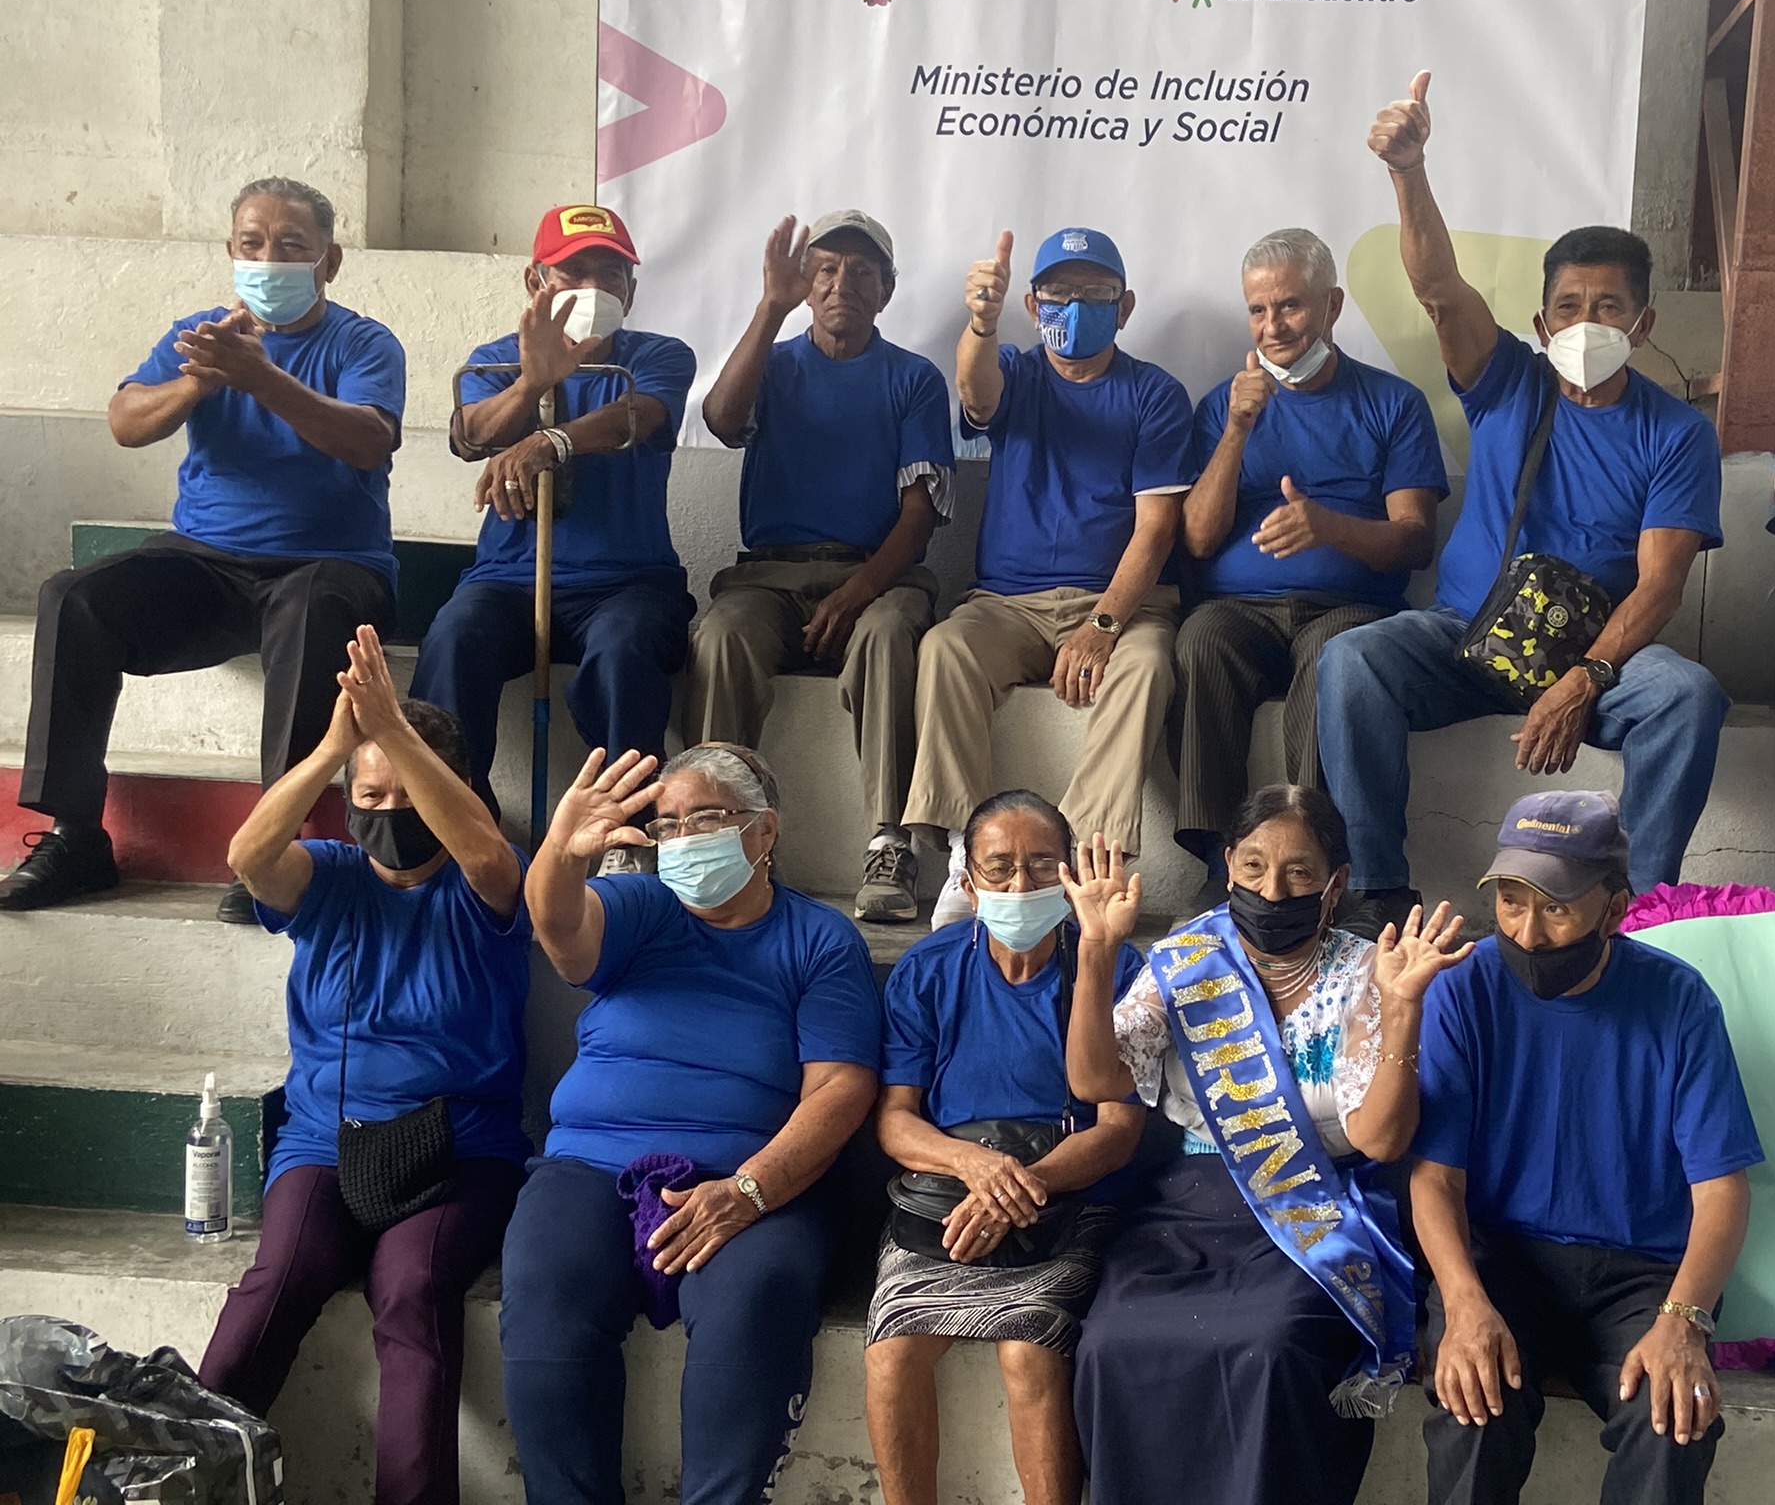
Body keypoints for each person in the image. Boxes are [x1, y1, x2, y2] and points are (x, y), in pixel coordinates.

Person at [1318, 73, 1728, 933]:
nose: (1586, 322)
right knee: (1351, 661)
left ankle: (1638, 910)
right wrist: (1407, 170)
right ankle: (1377, 891)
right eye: (1568, 307)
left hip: (1600, 655)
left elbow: (1660, 585)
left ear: (1644, 324)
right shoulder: (1507, 381)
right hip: (1466, 635)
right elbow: (1439, 287)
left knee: (1688, 695)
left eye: (1608, 307)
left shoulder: (1678, 433)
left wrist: (1583, 680)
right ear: (1542, 325)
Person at [0, 177, 403, 922]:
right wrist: (199, 382)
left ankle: (275, 847)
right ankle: (75, 835)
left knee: (314, 607)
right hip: (204, 563)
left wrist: (261, 377)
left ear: (330, 260)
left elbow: (367, 440)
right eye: (252, 243)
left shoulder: (363, 342)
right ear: (230, 251)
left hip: (330, 565)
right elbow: (127, 422)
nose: (268, 258)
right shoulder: (199, 336)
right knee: (72, 598)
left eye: (291, 245)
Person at [1064, 786, 1471, 1505]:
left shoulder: (1366, 972)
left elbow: (1379, 1138)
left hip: (1317, 1211)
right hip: (1187, 1213)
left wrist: (1403, 1009)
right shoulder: (1186, 960)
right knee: (1111, 1343)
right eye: (1253, 866)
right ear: (1228, 865)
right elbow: (1097, 1079)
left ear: (1335, 884)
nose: (1271, 890)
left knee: (1273, 1347)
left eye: (1298, 872)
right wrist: (1098, 953)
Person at [499, 740, 881, 1505]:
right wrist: (562, 856)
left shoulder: (819, 938)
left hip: (755, 1181)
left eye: (705, 818)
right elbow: (563, 935)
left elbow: (840, 1089)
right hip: (591, 1166)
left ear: (765, 830)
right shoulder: (641, 909)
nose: (682, 839)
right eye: (667, 824)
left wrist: (749, 1190)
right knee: (546, 1290)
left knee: (756, 1300)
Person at [198, 625, 529, 1505]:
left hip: (459, 1151)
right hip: (324, 1140)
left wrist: (397, 732)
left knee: (411, 1290)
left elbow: (485, 852)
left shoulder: (487, 883)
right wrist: (335, 748)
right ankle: (182, 1471)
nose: (385, 811)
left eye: (406, 793)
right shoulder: (328, 876)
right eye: (368, 794)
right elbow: (246, 857)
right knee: (275, 1284)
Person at [1410, 790, 1763, 1505]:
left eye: (1557, 908)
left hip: (1642, 1276)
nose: (1528, 933)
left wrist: (1683, 1322)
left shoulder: (1680, 1001)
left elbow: (1722, 1189)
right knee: (1472, 1406)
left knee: (1673, 1417)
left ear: (1614, 908)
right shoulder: (1463, 989)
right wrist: (1464, 1303)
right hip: (1502, 1262)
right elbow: (1435, 1178)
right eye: (1511, 901)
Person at [904, 226, 1193, 928]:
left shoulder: (1155, 393)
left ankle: (1080, 864)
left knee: (1147, 665)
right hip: (1007, 602)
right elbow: (976, 392)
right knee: (945, 647)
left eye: (1095, 294)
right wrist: (981, 323)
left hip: (1119, 603)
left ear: (1124, 308)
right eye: (1060, 294)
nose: (1076, 307)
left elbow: (1157, 528)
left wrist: (1102, 626)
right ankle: (970, 860)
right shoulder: (1017, 371)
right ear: (1033, 308)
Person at [864, 790, 1147, 1505]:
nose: (1021, 885)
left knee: (1029, 1348)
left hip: (1070, 1197)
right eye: (1000, 867)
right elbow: (895, 1122)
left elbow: (1118, 1131)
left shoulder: (1113, 967)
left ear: (1070, 874)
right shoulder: (928, 969)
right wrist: (976, 1167)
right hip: (946, 1197)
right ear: (968, 882)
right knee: (892, 1351)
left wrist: (1022, 1186)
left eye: (1042, 865)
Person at [691, 210, 955, 922]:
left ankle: (890, 843)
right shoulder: (773, 364)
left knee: (889, 632)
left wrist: (856, 592)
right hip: (768, 575)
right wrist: (769, 309)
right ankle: (713, 830)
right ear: (807, 284)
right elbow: (721, 420)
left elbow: (918, 519)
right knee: (721, 634)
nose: (843, 284)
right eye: (827, 270)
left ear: (886, 291)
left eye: (862, 272)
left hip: (878, 574)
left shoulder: (914, 379)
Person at [1175, 227, 1447, 898]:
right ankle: (1221, 866)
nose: (1273, 326)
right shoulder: (1223, 406)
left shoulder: (1393, 403)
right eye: (1258, 310)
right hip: (1238, 609)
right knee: (1200, 641)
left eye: (1290, 306)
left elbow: (1416, 541)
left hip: (1350, 607)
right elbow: (1199, 541)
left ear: (1333, 305)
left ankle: (1309, 862)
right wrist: (1237, 429)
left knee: (1333, 659)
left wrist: (1329, 529)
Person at [409, 204, 696, 833]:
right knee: (453, 640)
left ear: (631, 291)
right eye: (574, 272)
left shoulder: (660, 356)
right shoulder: (493, 361)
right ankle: (450, 823)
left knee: (624, 652)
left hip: (627, 585)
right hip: (507, 583)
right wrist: (531, 383)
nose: (594, 288)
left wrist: (551, 441)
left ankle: (624, 828)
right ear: (535, 282)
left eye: (610, 274)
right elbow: (469, 435)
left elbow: (637, 417)